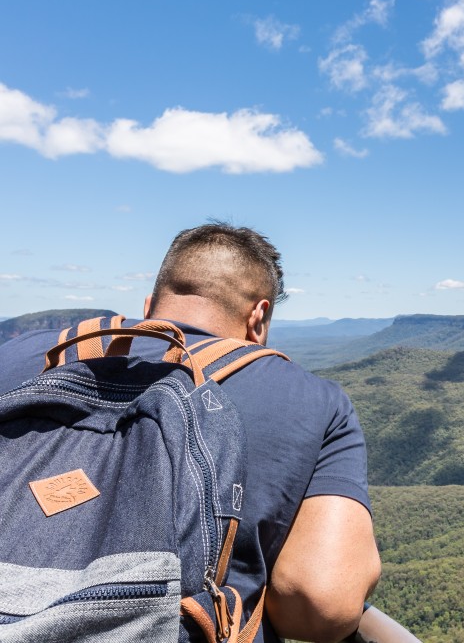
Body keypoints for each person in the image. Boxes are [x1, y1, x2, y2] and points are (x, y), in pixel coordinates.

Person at [0, 222, 380, 643]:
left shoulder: (21, 353)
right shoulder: (315, 400)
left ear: (150, 306)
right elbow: (319, 606)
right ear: (260, 315)